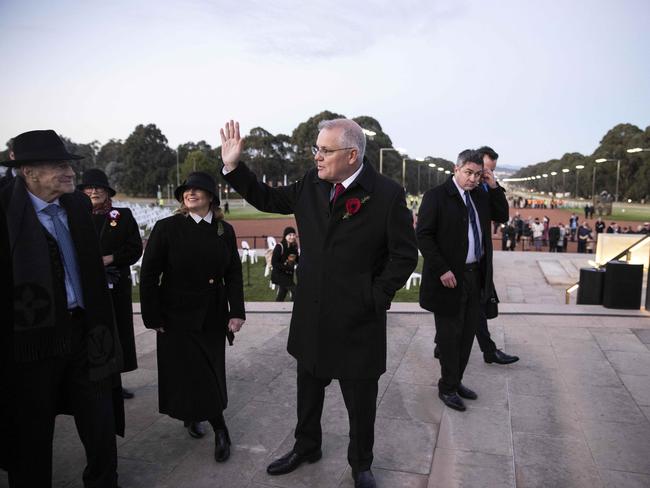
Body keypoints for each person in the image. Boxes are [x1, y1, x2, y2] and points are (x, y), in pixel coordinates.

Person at [221, 119, 417, 488]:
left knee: (360, 402)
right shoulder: (311, 183)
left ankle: (361, 464)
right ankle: (306, 446)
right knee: (308, 390)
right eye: (316, 148)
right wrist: (233, 167)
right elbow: (267, 198)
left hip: (359, 320)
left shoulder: (387, 194)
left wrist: (374, 296)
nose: (317, 157)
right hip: (313, 313)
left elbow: (404, 255)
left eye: (324, 150)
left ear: (352, 155)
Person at [0, 130, 123, 487]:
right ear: (28, 172)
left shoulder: (78, 207)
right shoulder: (5, 212)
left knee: (100, 423)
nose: (70, 172)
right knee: (32, 432)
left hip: (87, 333)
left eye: (68, 164)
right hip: (32, 342)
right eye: (58, 165)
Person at [139, 171, 245, 464]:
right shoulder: (167, 228)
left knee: (209, 371)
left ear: (212, 196)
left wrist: (236, 311)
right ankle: (207, 420)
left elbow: (233, 273)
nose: (191, 193)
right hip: (175, 316)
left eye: (198, 189)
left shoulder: (225, 230)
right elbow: (148, 275)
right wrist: (152, 316)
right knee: (186, 372)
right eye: (187, 190)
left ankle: (216, 424)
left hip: (212, 315)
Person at [417, 149, 509, 412]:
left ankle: (455, 382)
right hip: (448, 279)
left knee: (468, 334)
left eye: (478, 174)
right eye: (468, 172)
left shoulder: (480, 194)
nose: (472, 179)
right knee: (448, 337)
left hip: (474, 276)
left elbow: (501, 216)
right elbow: (423, 236)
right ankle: (446, 387)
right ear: (456, 170)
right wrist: (442, 269)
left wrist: (493, 186)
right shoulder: (436, 196)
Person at [78, 169, 143, 399]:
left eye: (99, 187)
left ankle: (115, 383)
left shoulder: (122, 216)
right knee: (91, 332)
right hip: (85, 286)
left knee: (117, 332)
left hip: (116, 285)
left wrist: (111, 258)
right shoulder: (74, 217)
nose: (94, 191)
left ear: (107, 192)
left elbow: (135, 248)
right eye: (89, 187)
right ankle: (94, 382)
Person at [271, 226, 299, 302]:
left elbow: (297, 260)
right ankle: (293, 308)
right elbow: (274, 263)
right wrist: (287, 267)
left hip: (289, 275)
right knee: (296, 291)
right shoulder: (279, 246)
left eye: (293, 235)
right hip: (280, 275)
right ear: (285, 236)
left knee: (282, 294)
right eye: (289, 235)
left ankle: (277, 309)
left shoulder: (294, 247)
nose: (292, 237)